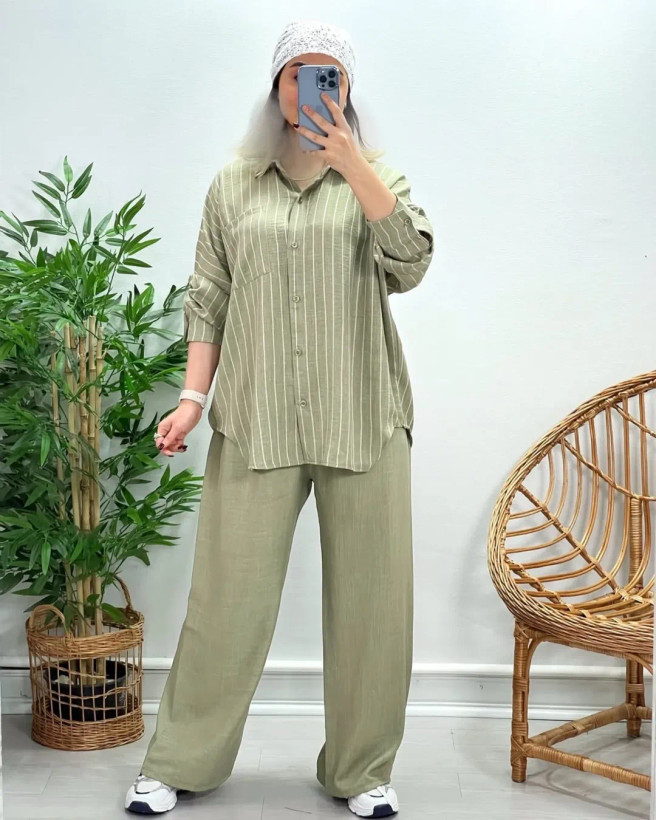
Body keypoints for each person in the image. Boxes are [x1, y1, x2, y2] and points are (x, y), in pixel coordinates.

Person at [125, 18, 434, 818]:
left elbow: (411, 264)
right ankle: (180, 761)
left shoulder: (379, 178)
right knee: (225, 601)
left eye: (331, 74)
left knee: (373, 607)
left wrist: (354, 167)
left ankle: (363, 772)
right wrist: (191, 401)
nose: (313, 86)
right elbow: (208, 298)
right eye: (299, 71)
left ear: (348, 89)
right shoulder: (233, 185)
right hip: (255, 418)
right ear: (276, 85)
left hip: (363, 415)